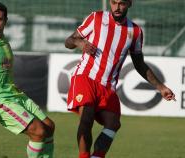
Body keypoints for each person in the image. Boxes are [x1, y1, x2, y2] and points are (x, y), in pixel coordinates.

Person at [64, 0, 176, 158]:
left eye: (122, 3)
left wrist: (161, 87)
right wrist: (78, 42)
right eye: (114, 2)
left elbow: (139, 64)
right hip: (86, 76)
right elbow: (68, 41)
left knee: (113, 124)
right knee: (86, 117)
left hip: (108, 86)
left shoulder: (135, 32)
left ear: (129, 4)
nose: (117, 7)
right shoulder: (95, 18)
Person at [0, 1, 55, 158]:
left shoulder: (4, 42)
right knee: (38, 131)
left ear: (5, 20)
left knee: (49, 127)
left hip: (14, 95)